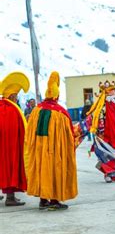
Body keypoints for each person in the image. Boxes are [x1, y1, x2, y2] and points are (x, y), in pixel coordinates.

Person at [26, 72, 79, 210]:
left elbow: (29, 134)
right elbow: (68, 136)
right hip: (55, 150)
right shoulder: (60, 113)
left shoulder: (36, 111)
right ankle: (54, 200)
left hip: (39, 150)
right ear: (57, 95)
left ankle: (43, 200)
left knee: (42, 170)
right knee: (55, 170)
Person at [0, 72, 29, 206]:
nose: (17, 99)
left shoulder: (3, 107)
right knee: (10, 168)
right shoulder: (10, 109)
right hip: (10, 147)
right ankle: (10, 198)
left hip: (4, 146)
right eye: (16, 96)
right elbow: (11, 129)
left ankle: (10, 197)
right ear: (11, 96)